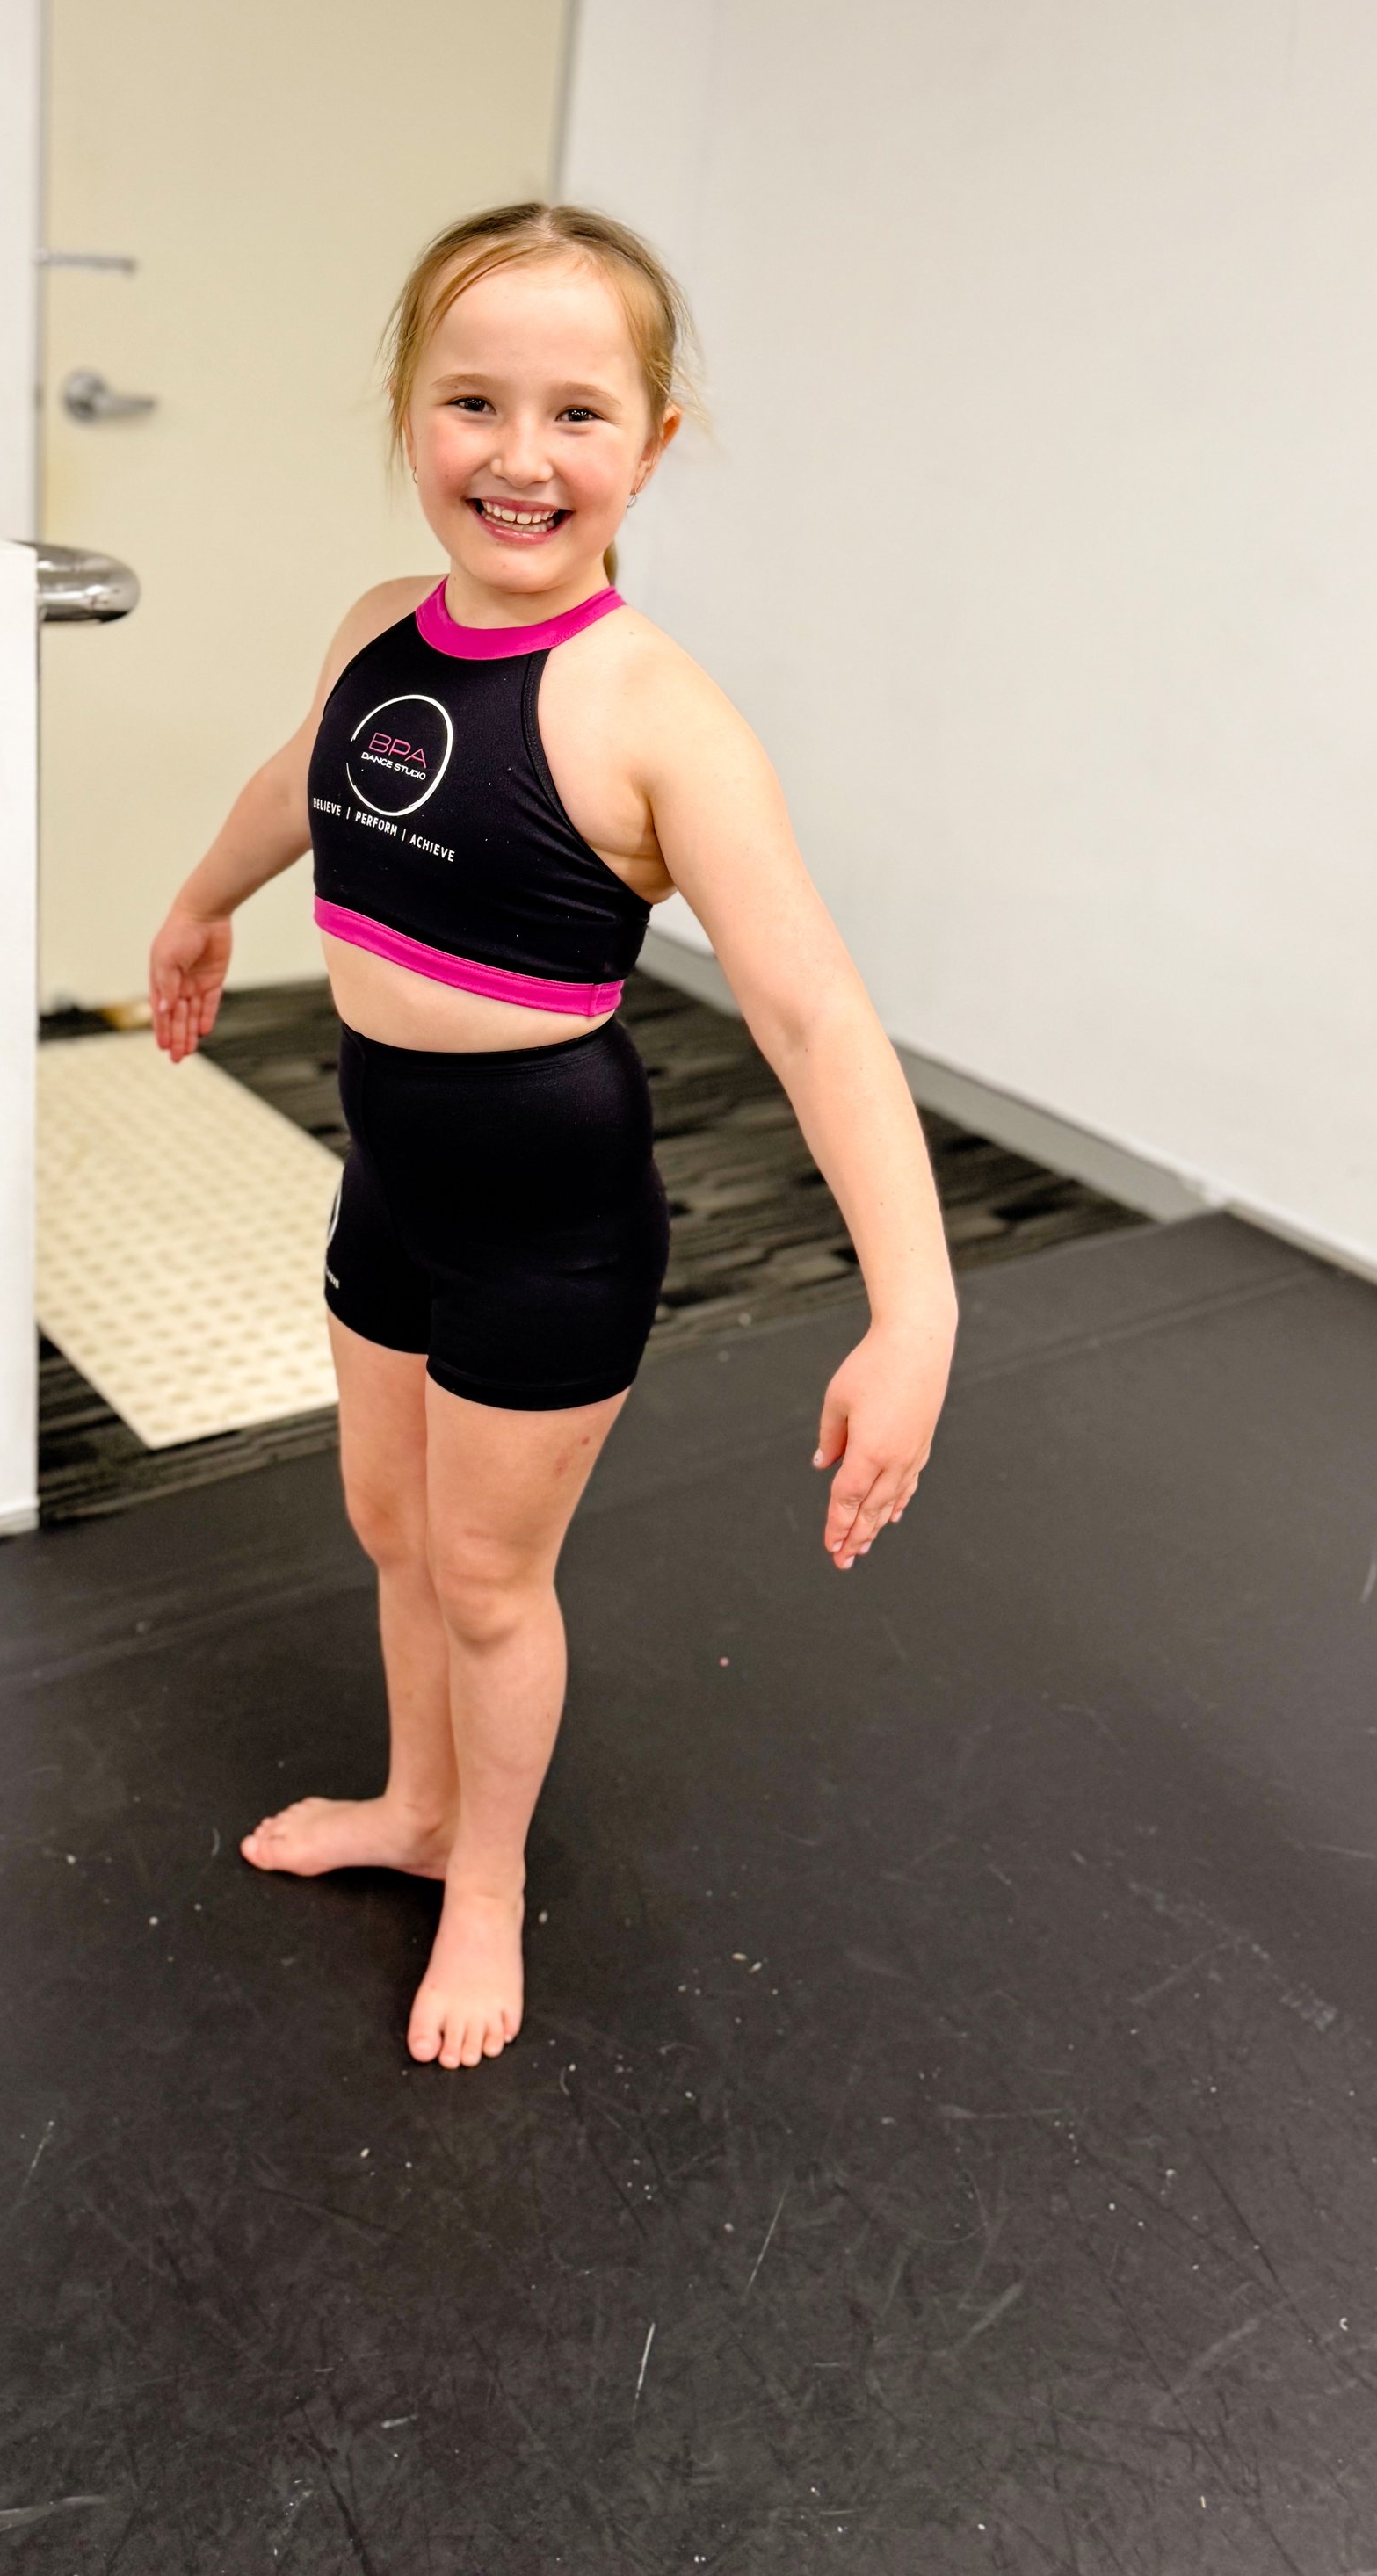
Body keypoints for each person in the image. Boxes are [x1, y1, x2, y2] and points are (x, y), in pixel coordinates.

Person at [148, 204, 956, 2072]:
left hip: (550, 1215)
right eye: (471, 402)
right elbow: (303, 776)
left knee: (489, 1572)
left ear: (651, 444)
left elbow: (812, 1013)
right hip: (391, 1180)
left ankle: (486, 1875)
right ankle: (415, 1802)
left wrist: (909, 1310)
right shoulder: (373, 624)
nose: (518, 456)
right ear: (409, 415)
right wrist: (198, 903)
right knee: (384, 1525)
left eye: (576, 412)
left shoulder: (654, 715)